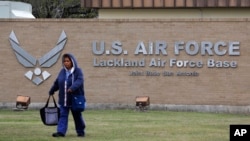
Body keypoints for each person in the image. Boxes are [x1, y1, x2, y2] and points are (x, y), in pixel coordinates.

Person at [48, 53, 86, 137]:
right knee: (62, 115)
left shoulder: (78, 71)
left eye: (68, 61)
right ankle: (61, 132)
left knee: (77, 116)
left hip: (75, 99)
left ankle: (80, 132)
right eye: (64, 61)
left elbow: (79, 81)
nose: (66, 63)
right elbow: (57, 82)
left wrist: (72, 88)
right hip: (64, 100)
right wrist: (52, 90)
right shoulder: (62, 72)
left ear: (72, 62)